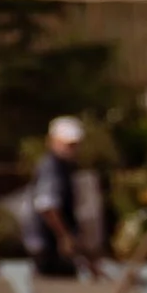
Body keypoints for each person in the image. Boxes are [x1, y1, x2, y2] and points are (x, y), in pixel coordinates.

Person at [20, 116, 105, 281]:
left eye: (74, 145)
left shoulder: (65, 169)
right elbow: (47, 206)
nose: (71, 149)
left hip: (53, 247)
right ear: (52, 141)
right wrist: (64, 236)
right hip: (49, 246)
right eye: (67, 144)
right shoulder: (53, 168)